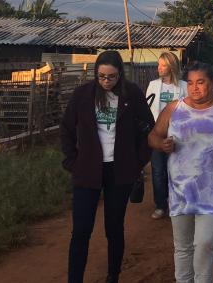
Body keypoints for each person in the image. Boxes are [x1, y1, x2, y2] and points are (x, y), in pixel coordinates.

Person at [148, 62, 213, 283]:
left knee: (205, 243)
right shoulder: (174, 109)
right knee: (183, 247)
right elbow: (154, 136)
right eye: (191, 83)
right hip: (181, 190)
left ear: (212, 83)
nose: (194, 88)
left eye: (200, 82)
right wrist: (162, 145)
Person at [60, 50, 154, 283]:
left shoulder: (132, 94)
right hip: (87, 170)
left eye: (111, 76)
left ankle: (113, 275)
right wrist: (72, 161)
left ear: (120, 74)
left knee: (114, 227)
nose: (106, 81)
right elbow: (66, 129)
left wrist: (137, 163)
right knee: (81, 230)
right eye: (101, 76)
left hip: (119, 171)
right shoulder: (83, 95)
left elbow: (149, 130)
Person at [145, 51, 188, 220]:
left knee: (176, 171)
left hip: (177, 136)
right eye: (158, 65)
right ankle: (160, 205)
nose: (159, 68)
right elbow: (147, 109)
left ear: (171, 67)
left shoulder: (184, 87)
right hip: (158, 135)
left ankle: (176, 202)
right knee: (157, 171)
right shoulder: (153, 85)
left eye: (163, 65)